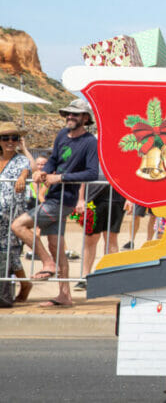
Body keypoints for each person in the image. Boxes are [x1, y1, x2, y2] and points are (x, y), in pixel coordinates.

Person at [11, 98, 99, 307]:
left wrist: (59, 178)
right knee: (56, 246)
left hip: (63, 200)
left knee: (18, 225)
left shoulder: (90, 142)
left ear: (85, 118)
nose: (69, 116)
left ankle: (46, 262)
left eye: (74, 114)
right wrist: (44, 171)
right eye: (68, 113)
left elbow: (92, 173)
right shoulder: (61, 135)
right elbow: (53, 159)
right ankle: (64, 295)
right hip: (53, 196)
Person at [0, 122, 32, 302]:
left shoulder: (21, 159)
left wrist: (22, 176)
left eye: (14, 138)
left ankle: (24, 284)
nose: (10, 141)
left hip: (12, 214)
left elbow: (28, 169)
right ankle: (23, 284)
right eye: (5, 138)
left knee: (10, 250)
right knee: (6, 252)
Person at [76, 178, 126, 287]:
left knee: (111, 239)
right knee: (90, 239)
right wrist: (80, 199)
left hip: (117, 199)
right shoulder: (92, 159)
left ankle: (109, 275)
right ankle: (85, 276)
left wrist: (130, 198)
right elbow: (84, 176)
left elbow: (129, 175)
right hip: (93, 199)